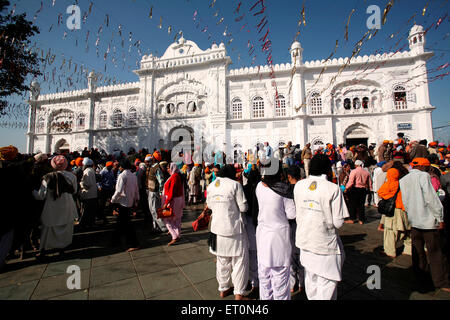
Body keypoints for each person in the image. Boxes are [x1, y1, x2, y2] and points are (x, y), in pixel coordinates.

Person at [294, 154, 350, 300]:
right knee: (326, 285)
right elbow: (338, 222)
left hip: (305, 241)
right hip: (325, 244)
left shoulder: (299, 185)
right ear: (327, 169)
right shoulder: (333, 189)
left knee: (311, 280)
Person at [400, 158, 450, 292]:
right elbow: (431, 199)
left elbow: (405, 201)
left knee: (418, 252)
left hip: (414, 221)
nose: (429, 169)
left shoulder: (404, 179)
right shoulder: (423, 176)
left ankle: (421, 279)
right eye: (427, 167)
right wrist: (440, 218)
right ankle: (441, 281)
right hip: (428, 221)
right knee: (435, 252)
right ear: (422, 166)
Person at [207, 165, 250, 300]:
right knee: (239, 261)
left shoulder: (212, 185)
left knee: (222, 260)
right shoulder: (235, 185)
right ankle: (239, 293)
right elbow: (243, 207)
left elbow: (209, 205)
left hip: (217, 229)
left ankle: (223, 288)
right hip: (234, 229)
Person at [255, 165, 296, 300]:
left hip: (262, 235)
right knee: (280, 278)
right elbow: (291, 214)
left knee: (264, 276)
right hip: (279, 236)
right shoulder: (284, 190)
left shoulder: (260, 186)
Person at [33, 156, 78, 258]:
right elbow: (74, 191)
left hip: (51, 207)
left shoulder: (47, 177)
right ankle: (62, 249)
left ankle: (43, 250)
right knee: (65, 227)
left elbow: (41, 196)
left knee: (48, 229)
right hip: (67, 206)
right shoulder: (72, 177)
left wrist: (32, 191)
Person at [378, 168, 411, 257]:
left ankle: (390, 251)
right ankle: (408, 250)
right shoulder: (403, 184)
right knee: (407, 231)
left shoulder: (389, 184)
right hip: (405, 209)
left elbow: (380, 193)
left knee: (391, 231)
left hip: (394, 210)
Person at [111, 159, 140, 252]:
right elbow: (136, 190)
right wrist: (136, 200)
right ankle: (116, 240)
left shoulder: (122, 176)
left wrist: (113, 199)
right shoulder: (133, 176)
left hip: (123, 202)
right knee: (121, 223)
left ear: (122, 166)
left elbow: (119, 190)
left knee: (126, 224)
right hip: (130, 201)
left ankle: (133, 243)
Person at [286, 165, 305, 294]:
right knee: (302, 255)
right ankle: (302, 283)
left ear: (289, 177)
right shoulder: (304, 189)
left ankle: (293, 284)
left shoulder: (287, 190)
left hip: (291, 224)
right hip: (302, 224)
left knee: (291, 255)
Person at [161, 163, 185, 246]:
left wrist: (166, 202)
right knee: (176, 218)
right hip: (177, 199)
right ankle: (177, 234)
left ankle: (174, 236)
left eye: (168, 168)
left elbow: (171, 191)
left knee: (167, 219)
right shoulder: (176, 176)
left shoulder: (174, 177)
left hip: (173, 200)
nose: (167, 169)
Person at [145, 151, 167, 233]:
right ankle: (155, 226)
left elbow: (161, 181)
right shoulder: (152, 167)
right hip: (151, 191)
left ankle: (163, 227)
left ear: (154, 159)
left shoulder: (156, 168)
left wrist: (161, 193)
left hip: (154, 192)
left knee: (154, 210)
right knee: (153, 210)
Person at [345, 160, 372, 224]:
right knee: (361, 205)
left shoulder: (354, 171)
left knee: (352, 204)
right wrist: (369, 189)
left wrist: (346, 188)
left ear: (356, 165)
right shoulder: (366, 172)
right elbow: (369, 183)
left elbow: (351, 182)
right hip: (363, 189)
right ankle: (361, 220)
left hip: (355, 189)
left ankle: (352, 219)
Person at [79, 158, 98, 228]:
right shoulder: (91, 170)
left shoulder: (87, 171)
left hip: (88, 194)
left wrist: (81, 183)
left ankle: (85, 224)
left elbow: (87, 184)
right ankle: (90, 223)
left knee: (86, 211)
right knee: (91, 211)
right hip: (92, 194)